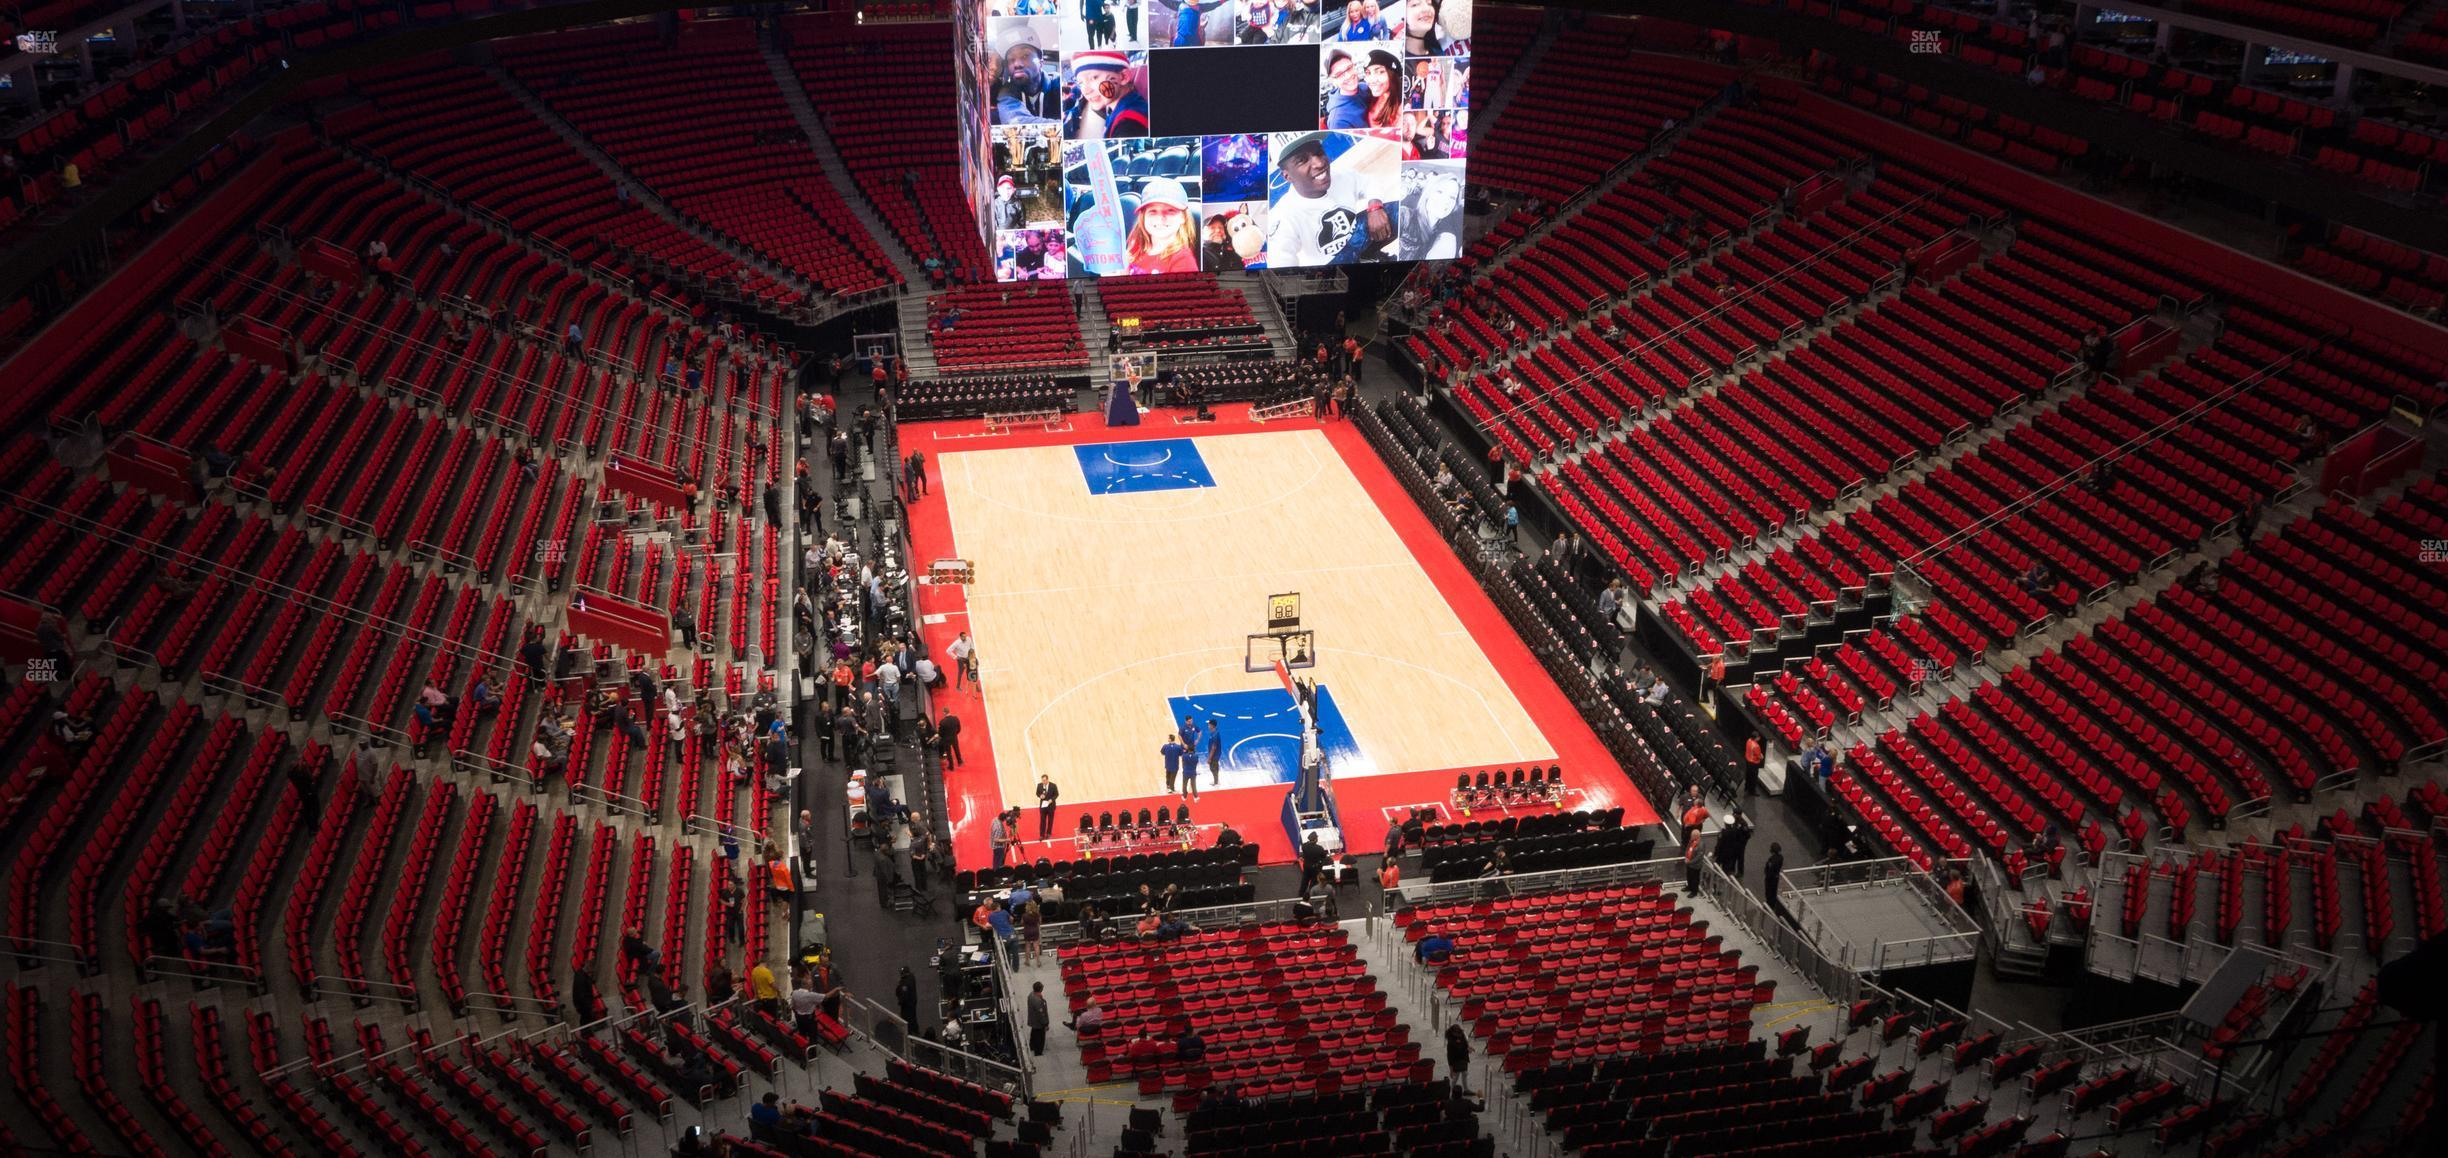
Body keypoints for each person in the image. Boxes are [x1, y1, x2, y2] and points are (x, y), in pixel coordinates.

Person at [1065, 51, 1149, 140]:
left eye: (1094, 77)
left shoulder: (1128, 124)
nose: (1086, 91)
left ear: (1123, 76)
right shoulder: (1120, 103)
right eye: (1080, 82)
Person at [1125, 178, 1199, 274]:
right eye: (1153, 211)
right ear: (1143, 217)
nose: (1160, 218)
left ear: (1183, 218)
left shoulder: (1183, 260)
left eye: (1170, 211)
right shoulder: (1135, 247)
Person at [1323, 50, 1370, 129]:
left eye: (1349, 68)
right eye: (1339, 74)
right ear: (1332, 80)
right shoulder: (1338, 121)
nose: (1348, 76)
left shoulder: (1366, 87)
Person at [1400, 0, 1466, 55]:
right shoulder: (1400, 55)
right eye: (1415, 4)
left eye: (1429, 3)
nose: (1427, 8)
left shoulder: (1439, 52)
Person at [1763, 841, 1791, 924]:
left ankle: (1769, 905)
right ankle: (1772, 903)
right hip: (1776, 877)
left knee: (1769, 892)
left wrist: (1767, 875)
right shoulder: (1780, 858)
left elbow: (1770, 869)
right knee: (1774, 891)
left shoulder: (1772, 860)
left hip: (1770, 878)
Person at [1026, 981, 1051, 1055]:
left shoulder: (1031, 995)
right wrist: (1045, 1024)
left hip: (1033, 1019)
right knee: (1040, 1038)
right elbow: (1041, 1014)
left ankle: (1032, 1046)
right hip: (1038, 1022)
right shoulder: (1038, 1001)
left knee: (1034, 1034)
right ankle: (1038, 1052)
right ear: (1040, 989)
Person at [1445, 1022, 1471, 1090]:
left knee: (1465, 1073)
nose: (1458, 1035)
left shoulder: (1461, 1034)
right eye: (1457, 1033)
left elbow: (1465, 1043)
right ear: (1453, 1033)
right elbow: (1449, 1057)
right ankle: (1451, 1091)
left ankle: (1466, 1090)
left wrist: (1468, 1047)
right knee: (1456, 1077)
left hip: (1464, 1057)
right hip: (1456, 1061)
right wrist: (1451, 1069)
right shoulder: (1450, 1043)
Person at [1036, 774, 1060, 839]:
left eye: (1044, 780)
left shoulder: (1053, 786)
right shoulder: (1039, 785)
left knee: (1050, 820)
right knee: (1042, 821)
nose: (1043, 782)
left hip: (1051, 806)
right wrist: (1040, 796)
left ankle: (1048, 833)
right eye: (1042, 780)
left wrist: (1051, 800)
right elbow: (1037, 793)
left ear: (1047, 780)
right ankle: (1041, 835)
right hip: (1043, 806)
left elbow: (1056, 794)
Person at [1204, 718, 1223, 785]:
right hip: (1216, 754)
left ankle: (1216, 782)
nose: (1208, 726)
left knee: (1212, 768)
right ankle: (1216, 780)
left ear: (1212, 725)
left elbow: (1213, 747)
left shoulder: (1214, 735)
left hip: (1215, 754)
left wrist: (1209, 758)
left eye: (1209, 725)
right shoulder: (1214, 732)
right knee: (1215, 767)